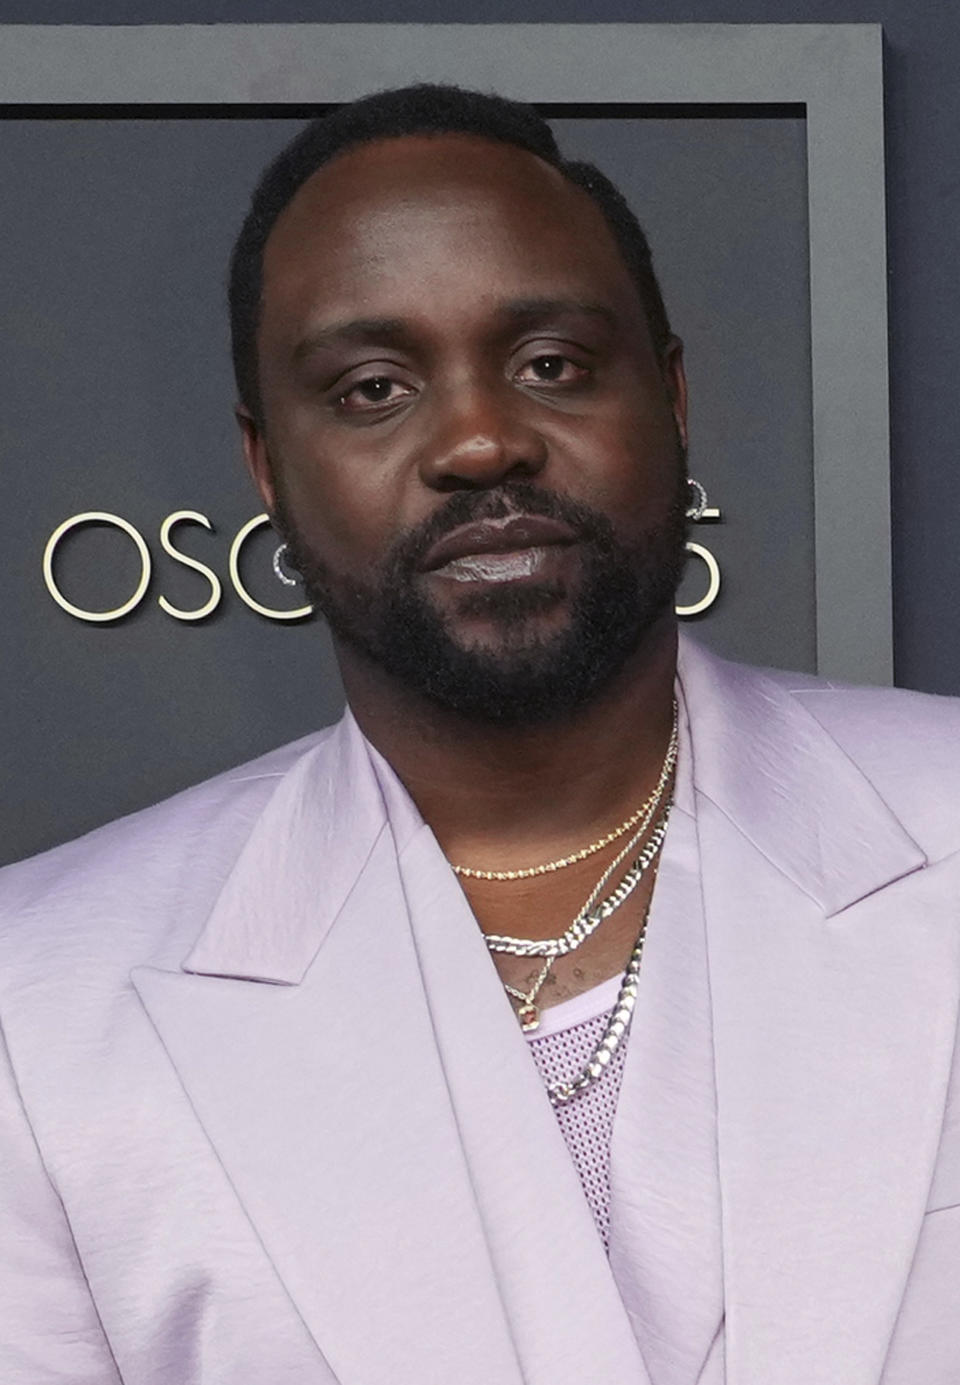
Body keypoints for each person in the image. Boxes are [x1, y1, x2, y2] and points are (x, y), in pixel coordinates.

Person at [2, 83, 959, 1385]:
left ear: (672, 395)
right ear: (266, 465)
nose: (480, 438)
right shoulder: (37, 1009)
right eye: (373, 385)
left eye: (551, 364)